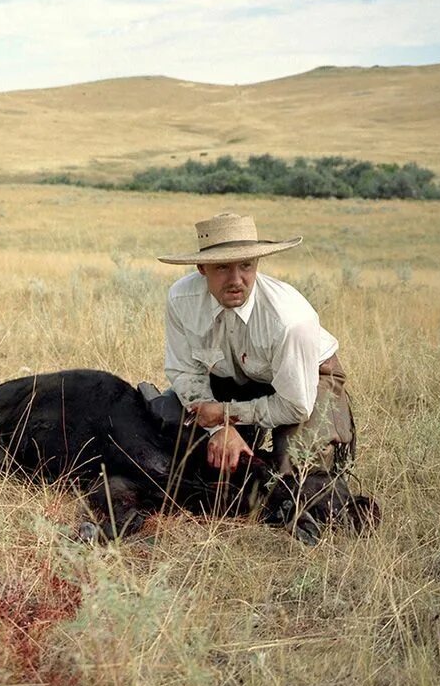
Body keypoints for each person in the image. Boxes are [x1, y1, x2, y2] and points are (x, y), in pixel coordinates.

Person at [147, 211, 356, 494]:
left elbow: (296, 404)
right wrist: (220, 428)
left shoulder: (289, 320)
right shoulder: (181, 299)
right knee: (171, 436)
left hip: (305, 382)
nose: (236, 279)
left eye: (246, 265)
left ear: (257, 264)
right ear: (201, 268)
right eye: (222, 267)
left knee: (295, 474)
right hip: (230, 379)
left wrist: (225, 413)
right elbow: (185, 372)